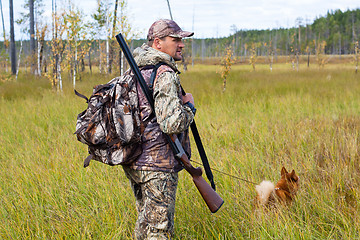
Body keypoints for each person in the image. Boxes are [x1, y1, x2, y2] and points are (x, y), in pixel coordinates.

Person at [122, 19, 196, 240]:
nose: (181, 44)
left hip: (134, 160)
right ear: (158, 43)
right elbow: (171, 123)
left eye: (181, 40)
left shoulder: (135, 70)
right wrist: (190, 107)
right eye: (175, 40)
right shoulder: (163, 72)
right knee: (158, 231)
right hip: (157, 164)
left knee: (145, 227)